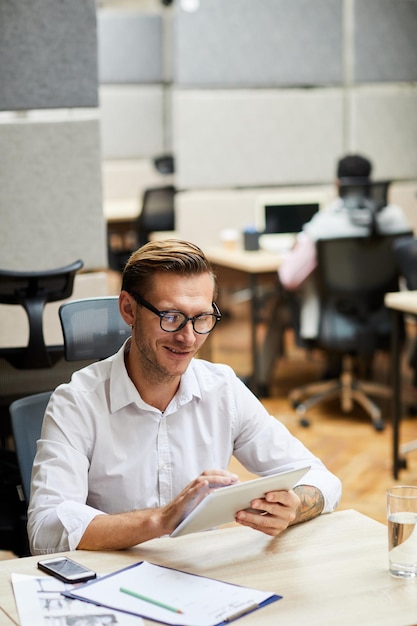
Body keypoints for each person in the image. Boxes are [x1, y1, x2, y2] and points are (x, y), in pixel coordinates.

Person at [28, 239, 341, 554]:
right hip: (113, 583)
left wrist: (295, 505)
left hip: (201, 579)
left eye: (202, 318)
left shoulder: (223, 389)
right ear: (128, 309)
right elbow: (45, 528)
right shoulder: (77, 402)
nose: (188, 337)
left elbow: (322, 479)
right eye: (171, 317)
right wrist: (162, 520)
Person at [279, 154, 411, 342]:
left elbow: (289, 278)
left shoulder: (324, 224)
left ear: (338, 184)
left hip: (338, 318)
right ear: (370, 183)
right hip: (384, 314)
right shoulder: (395, 217)